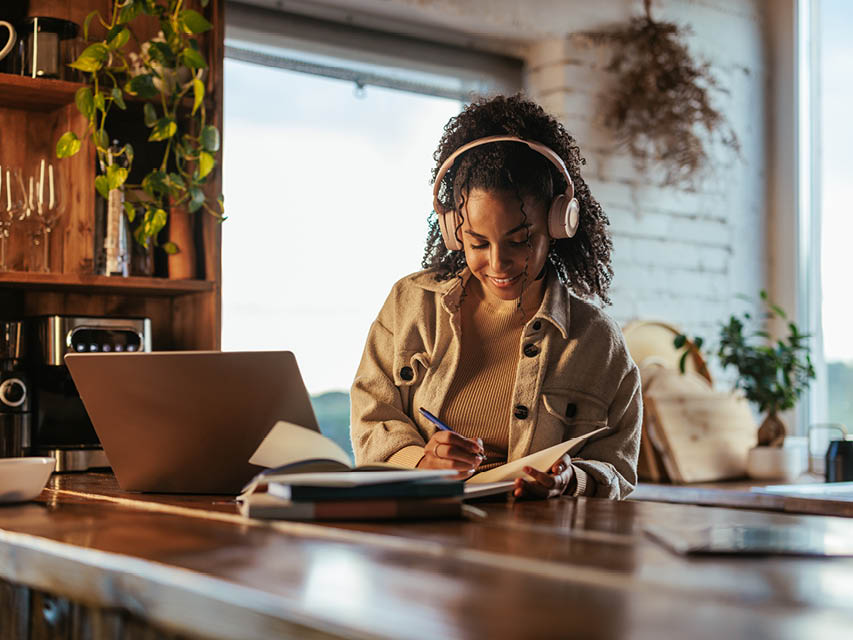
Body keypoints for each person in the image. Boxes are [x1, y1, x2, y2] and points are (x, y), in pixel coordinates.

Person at [350, 94, 641, 499]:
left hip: (534, 538)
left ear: (560, 223)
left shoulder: (597, 344)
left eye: (520, 241)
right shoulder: (410, 305)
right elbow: (371, 416)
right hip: (424, 530)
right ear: (454, 230)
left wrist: (569, 480)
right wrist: (420, 461)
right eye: (478, 242)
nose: (499, 263)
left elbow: (619, 469)